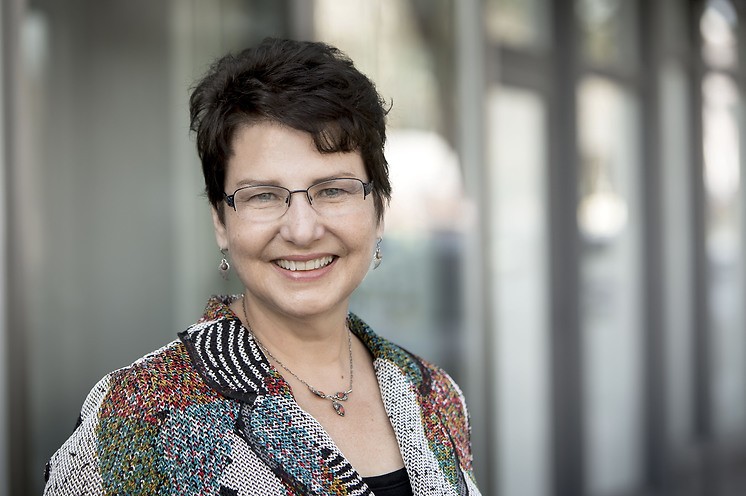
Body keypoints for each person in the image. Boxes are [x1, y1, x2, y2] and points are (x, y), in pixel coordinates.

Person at [43, 37, 481, 496]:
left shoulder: (435, 396)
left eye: (333, 190)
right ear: (220, 221)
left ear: (379, 209)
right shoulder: (136, 413)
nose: (302, 230)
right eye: (264, 196)